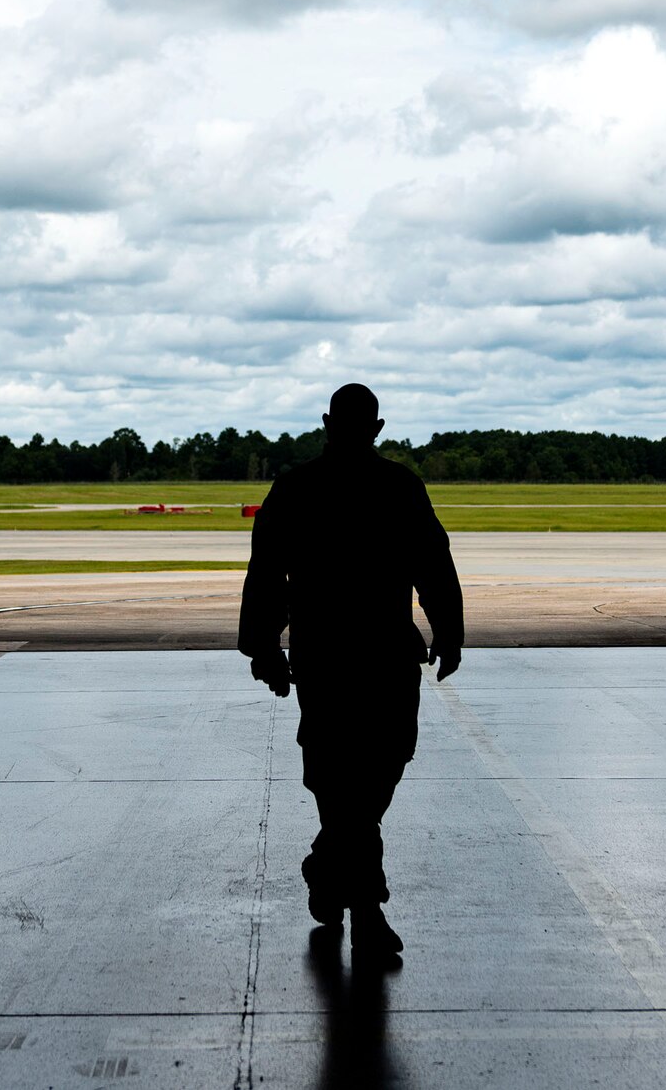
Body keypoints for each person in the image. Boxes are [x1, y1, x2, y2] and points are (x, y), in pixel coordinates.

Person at [237, 383, 464, 957]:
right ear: (377, 426)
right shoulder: (382, 487)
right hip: (344, 657)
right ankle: (367, 908)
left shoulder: (311, 489)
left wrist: (264, 646)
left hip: (360, 654)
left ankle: (326, 863)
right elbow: (268, 573)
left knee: (371, 773)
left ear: (327, 422)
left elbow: (431, 563)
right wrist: (263, 646)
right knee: (349, 777)